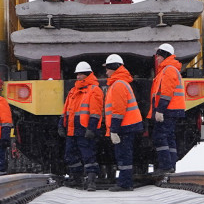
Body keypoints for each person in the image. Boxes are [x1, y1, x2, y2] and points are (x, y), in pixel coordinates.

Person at [60, 61, 104, 191]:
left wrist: (91, 128)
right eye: (77, 74)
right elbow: (66, 110)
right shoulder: (73, 91)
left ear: (88, 75)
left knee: (88, 155)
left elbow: (95, 112)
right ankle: (77, 178)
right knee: (70, 155)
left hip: (84, 129)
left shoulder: (94, 90)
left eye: (81, 74)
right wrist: (61, 125)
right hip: (72, 129)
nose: (78, 76)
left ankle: (91, 180)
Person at [103, 54, 143, 191]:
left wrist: (114, 130)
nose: (106, 72)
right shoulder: (120, 83)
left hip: (124, 126)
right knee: (125, 154)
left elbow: (118, 111)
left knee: (123, 155)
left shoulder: (118, 85)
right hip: (127, 126)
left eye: (108, 68)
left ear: (114, 68)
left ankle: (125, 184)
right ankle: (125, 182)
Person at [148, 43, 185, 175]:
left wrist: (160, 110)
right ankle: (171, 166)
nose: (156, 58)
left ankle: (165, 166)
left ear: (164, 55)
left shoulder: (168, 70)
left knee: (160, 136)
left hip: (168, 109)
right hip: (173, 109)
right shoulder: (169, 69)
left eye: (158, 55)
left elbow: (166, 93)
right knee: (169, 137)